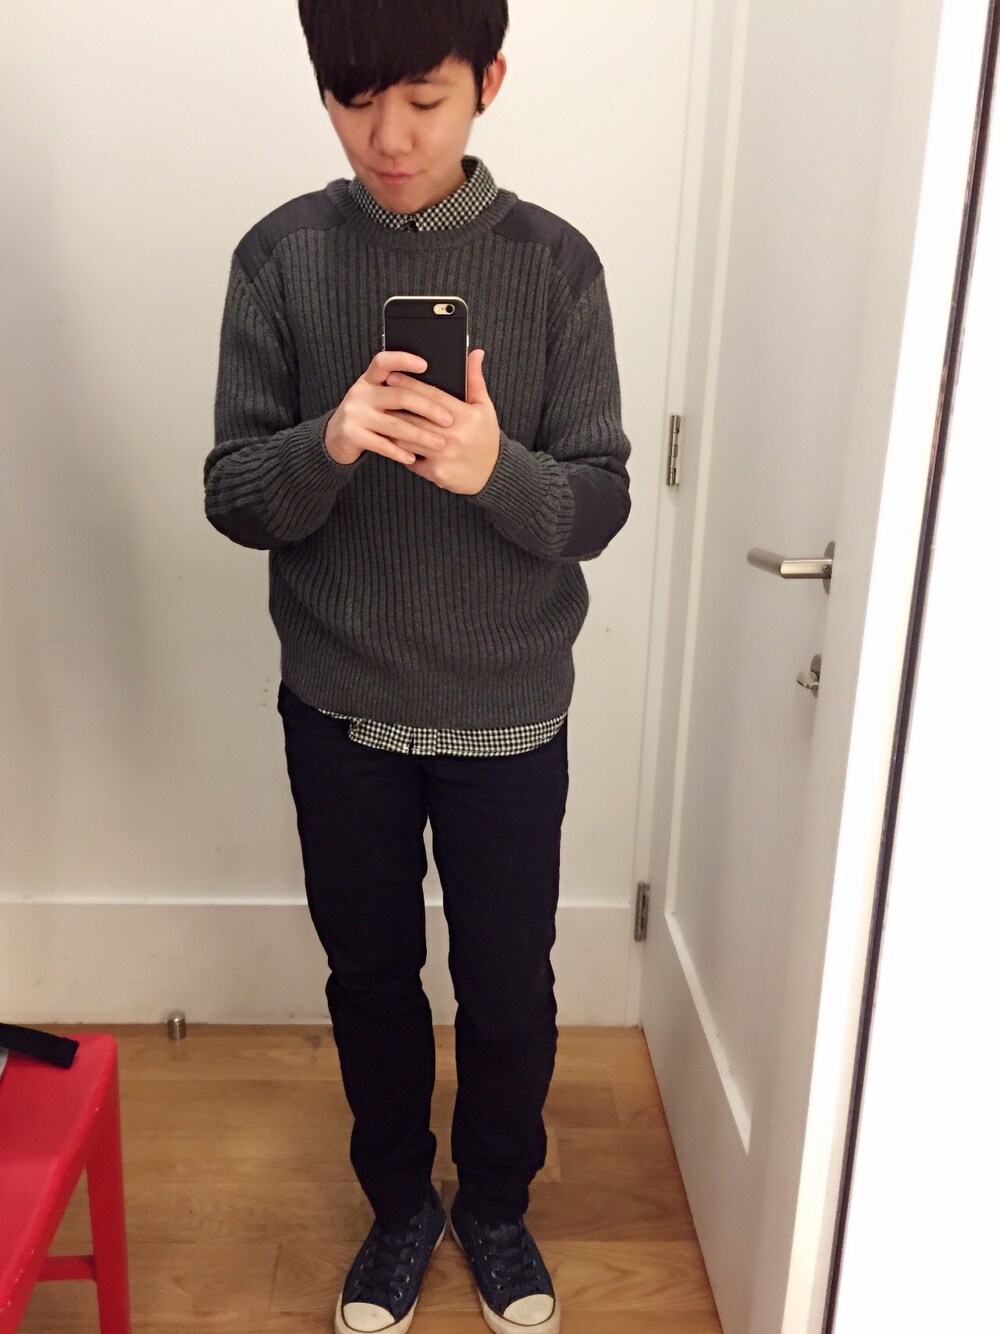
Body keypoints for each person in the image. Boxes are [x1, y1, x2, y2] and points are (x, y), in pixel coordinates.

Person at [204, 2, 630, 1330]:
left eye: (425, 99)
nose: (388, 137)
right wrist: (328, 442)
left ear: (489, 80)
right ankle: (399, 1207)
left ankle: (495, 1206)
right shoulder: (280, 258)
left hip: (509, 708)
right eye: (353, 97)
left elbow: (602, 501)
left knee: (507, 986)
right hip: (340, 708)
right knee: (372, 976)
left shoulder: (556, 266)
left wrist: (494, 469)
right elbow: (232, 495)